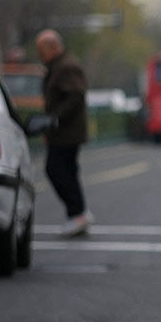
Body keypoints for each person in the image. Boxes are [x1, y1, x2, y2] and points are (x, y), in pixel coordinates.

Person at [36, 29, 93, 237]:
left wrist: (55, 119)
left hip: (67, 132)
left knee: (57, 170)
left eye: (41, 50)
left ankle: (77, 213)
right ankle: (77, 213)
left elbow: (76, 96)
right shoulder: (59, 66)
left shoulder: (66, 67)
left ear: (53, 47)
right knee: (67, 171)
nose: (39, 55)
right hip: (63, 131)